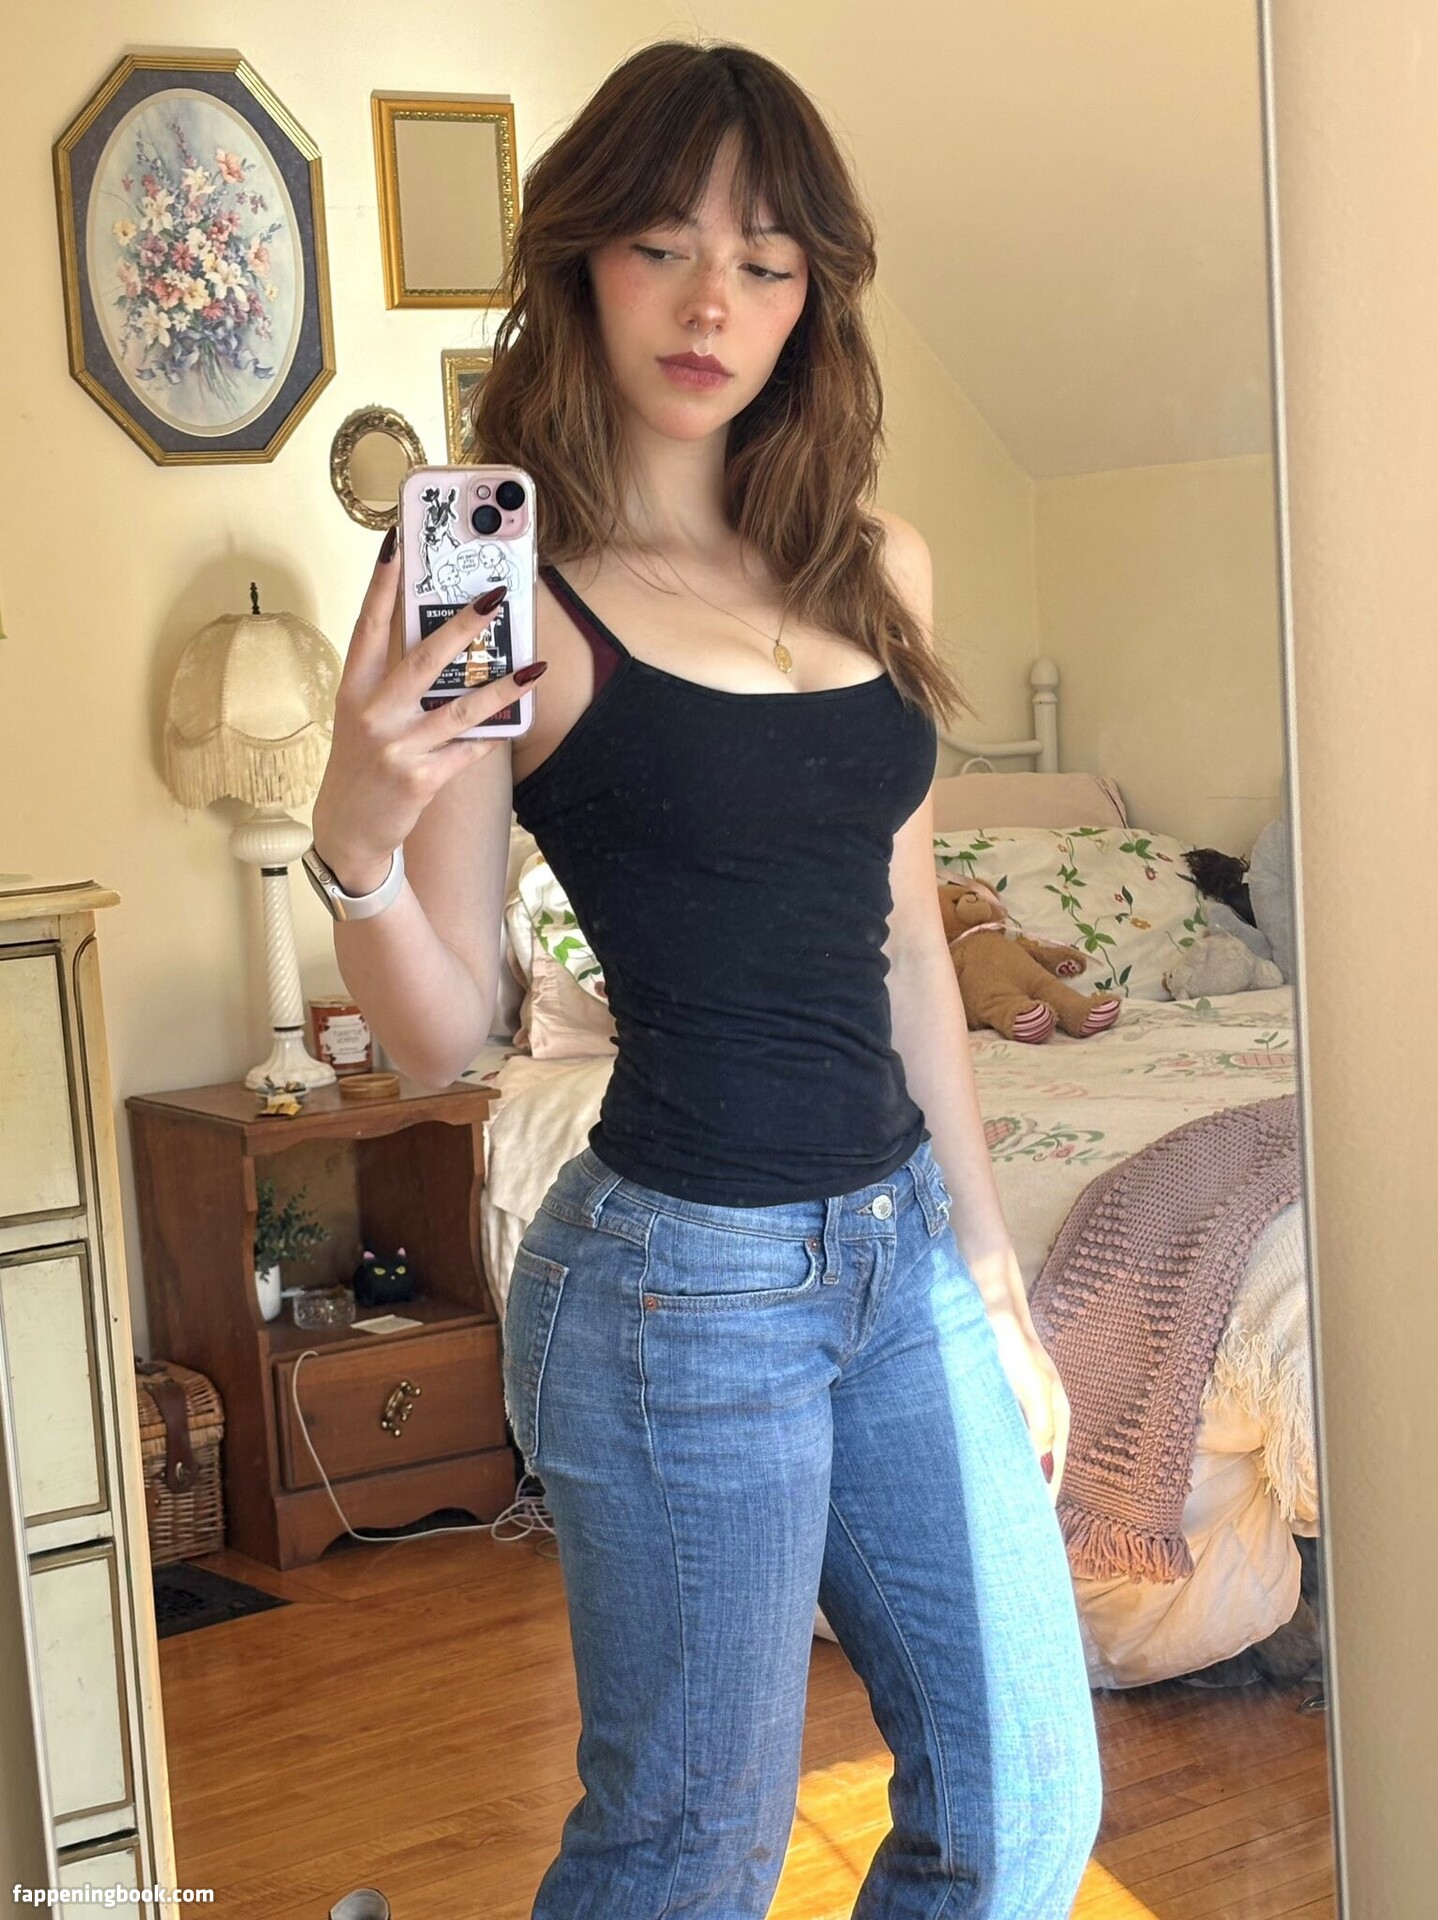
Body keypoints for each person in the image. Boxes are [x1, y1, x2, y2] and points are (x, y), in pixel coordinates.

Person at [310, 38, 1103, 1920]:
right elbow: (444, 1035)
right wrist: (351, 832)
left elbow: (901, 945)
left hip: (897, 1255)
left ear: (812, 291)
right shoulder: (498, 580)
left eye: (762, 261)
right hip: (679, 1291)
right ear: (581, 259)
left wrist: (992, 1279)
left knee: (1022, 1810)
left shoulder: (869, 561)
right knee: (688, 1860)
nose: (709, 306)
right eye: (662, 245)